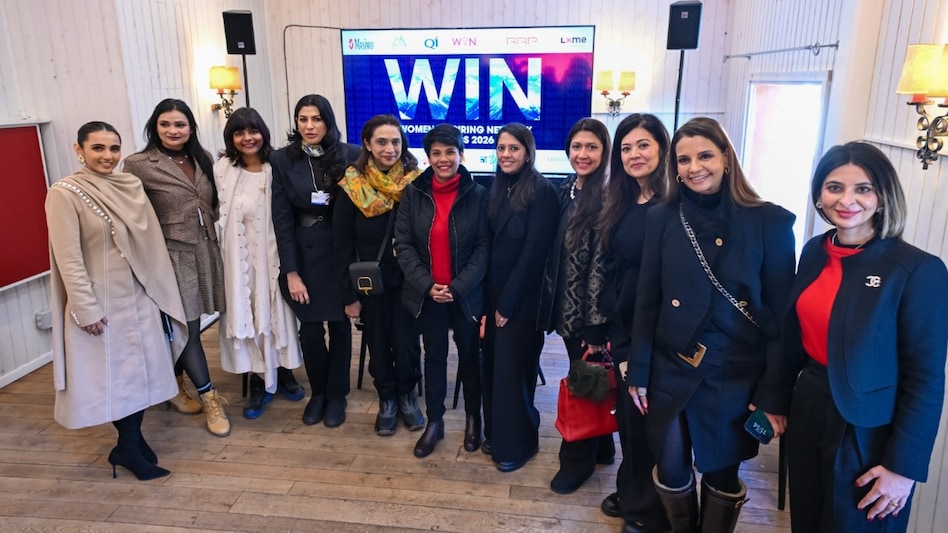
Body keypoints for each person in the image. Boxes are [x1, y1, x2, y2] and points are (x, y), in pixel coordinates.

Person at [765, 142, 947, 532]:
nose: (847, 200)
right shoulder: (815, 251)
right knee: (808, 521)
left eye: (863, 188)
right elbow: (792, 339)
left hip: (871, 428)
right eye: (834, 187)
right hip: (810, 405)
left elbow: (926, 379)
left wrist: (903, 467)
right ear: (819, 194)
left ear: (882, 196)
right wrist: (774, 400)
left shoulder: (918, 270)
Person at [627, 117, 795, 532]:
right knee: (671, 470)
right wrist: (640, 371)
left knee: (720, 473)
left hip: (734, 370)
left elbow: (780, 319)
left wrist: (773, 392)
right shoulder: (663, 218)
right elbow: (647, 301)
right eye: (683, 159)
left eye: (704, 155)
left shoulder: (769, 222)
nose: (693, 167)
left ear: (725, 156)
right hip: (671, 363)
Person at [46, 121, 188, 480]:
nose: (107, 156)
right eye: (97, 148)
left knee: (142, 376)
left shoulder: (129, 184)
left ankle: (130, 442)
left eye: (113, 148)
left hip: (139, 296)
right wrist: (85, 308)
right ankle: (127, 447)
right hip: (101, 302)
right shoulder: (64, 193)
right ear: (78, 149)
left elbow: (147, 242)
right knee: (116, 379)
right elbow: (69, 258)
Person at [124, 99, 230, 438]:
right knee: (188, 327)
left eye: (180, 124)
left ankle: (174, 386)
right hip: (171, 256)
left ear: (190, 128)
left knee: (188, 327)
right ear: (155, 127)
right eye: (166, 124)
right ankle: (210, 397)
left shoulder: (203, 159)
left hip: (206, 250)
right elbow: (131, 216)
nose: (173, 131)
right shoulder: (139, 164)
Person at [596, 114, 672, 533]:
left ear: (661, 149)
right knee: (629, 418)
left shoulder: (670, 206)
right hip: (623, 328)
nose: (634, 154)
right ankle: (632, 490)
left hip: (655, 332)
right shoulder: (624, 199)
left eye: (643, 145)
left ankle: (649, 512)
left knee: (647, 424)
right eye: (626, 148)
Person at [395, 123, 488, 457]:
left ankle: (474, 419)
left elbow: (483, 248)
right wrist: (427, 285)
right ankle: (435, 421)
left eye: (450, 151)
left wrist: (457, 288)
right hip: (427, 294)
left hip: (465, 295)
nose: (444, 159)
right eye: (436, 153)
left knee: (470, 358)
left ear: (461, 154)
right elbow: (403, 244)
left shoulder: (477, 195)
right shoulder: (414, 192)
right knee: (433, 357)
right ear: (428, 157)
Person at [271, 94, 360, 427]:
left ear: (328, 121)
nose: (309, 126)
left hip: (340, 249)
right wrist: (291, 271)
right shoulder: (283, 159)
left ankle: (337, 395)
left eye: (316, 119)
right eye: (303, 119)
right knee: (309, 331)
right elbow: (281, 218)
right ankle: (319, 392)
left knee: (340, 327)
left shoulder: (350, 154)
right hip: (303, 251)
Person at [334, 114, 424, 437]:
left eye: (395, 141)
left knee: (406, 344)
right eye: (382, 142)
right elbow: (341, 244)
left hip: (410, 281)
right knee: (378, 343)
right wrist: (349, 297)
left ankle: (407, 395)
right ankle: (387, 397)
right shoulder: (351, 185)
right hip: (370, 285)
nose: (390, 148)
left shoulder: (417, 183)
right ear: (368, 145)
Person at [214, 108, 305, 420]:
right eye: (239, 133)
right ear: (232, 138)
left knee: (277, 312)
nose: (247, 138)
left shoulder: (276, 166)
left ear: (263, 133)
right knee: (248, 312)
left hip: (273, 256)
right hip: (240, 260)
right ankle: (257, 378)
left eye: (252, 131)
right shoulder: (223, 167)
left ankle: (282, 371)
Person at [539, 118, 613, 489]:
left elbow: (602, 264)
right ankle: (601, 448)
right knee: (593, 377)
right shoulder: (568, 187)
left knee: (582, 382)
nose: (582, 154)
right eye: (577, 147)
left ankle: (576, 462)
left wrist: (597, 327)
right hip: (565, 308)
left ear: (605, 151)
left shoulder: (609, 196)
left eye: (591, 147)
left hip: (590, 315)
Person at [482, 123, 559, 472]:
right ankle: (499, 434)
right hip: (496, 300)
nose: (506, 155)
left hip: (521, 305)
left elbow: (534, 255)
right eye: (501, 148)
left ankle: (519, 443)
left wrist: (507, 305)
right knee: (498, 372)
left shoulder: (541, 191)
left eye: (514, 148)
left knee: (516, 375)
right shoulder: (499, 186)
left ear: (528, 152)